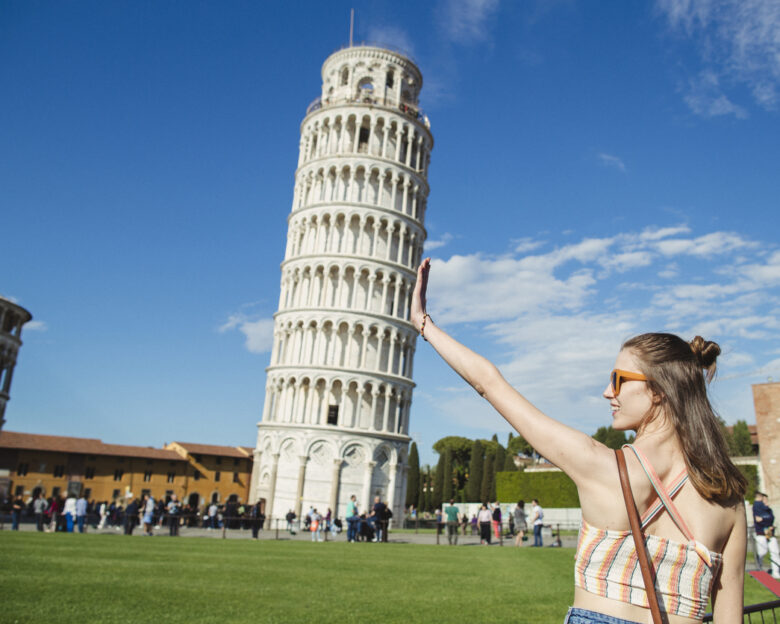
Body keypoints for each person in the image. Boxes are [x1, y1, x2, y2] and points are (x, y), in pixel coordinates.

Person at [411, 258, 747, 623]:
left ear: (658, 391)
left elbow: (489, 384)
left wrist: (424, 324)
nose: (607, 392)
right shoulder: (728, 500)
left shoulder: (599, 465)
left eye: (618, 379)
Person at [752, 491, 779, 578]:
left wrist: (769, 525)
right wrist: (765, 520)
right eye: (764, 500)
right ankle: (759, 568)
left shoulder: (769, 510)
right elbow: (758, 520)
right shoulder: (757, 507)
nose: (766, 501)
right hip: (761, 534)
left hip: (770, 534)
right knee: (762, 552)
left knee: (775, 552)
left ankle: (776, 572)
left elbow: (770, 519)